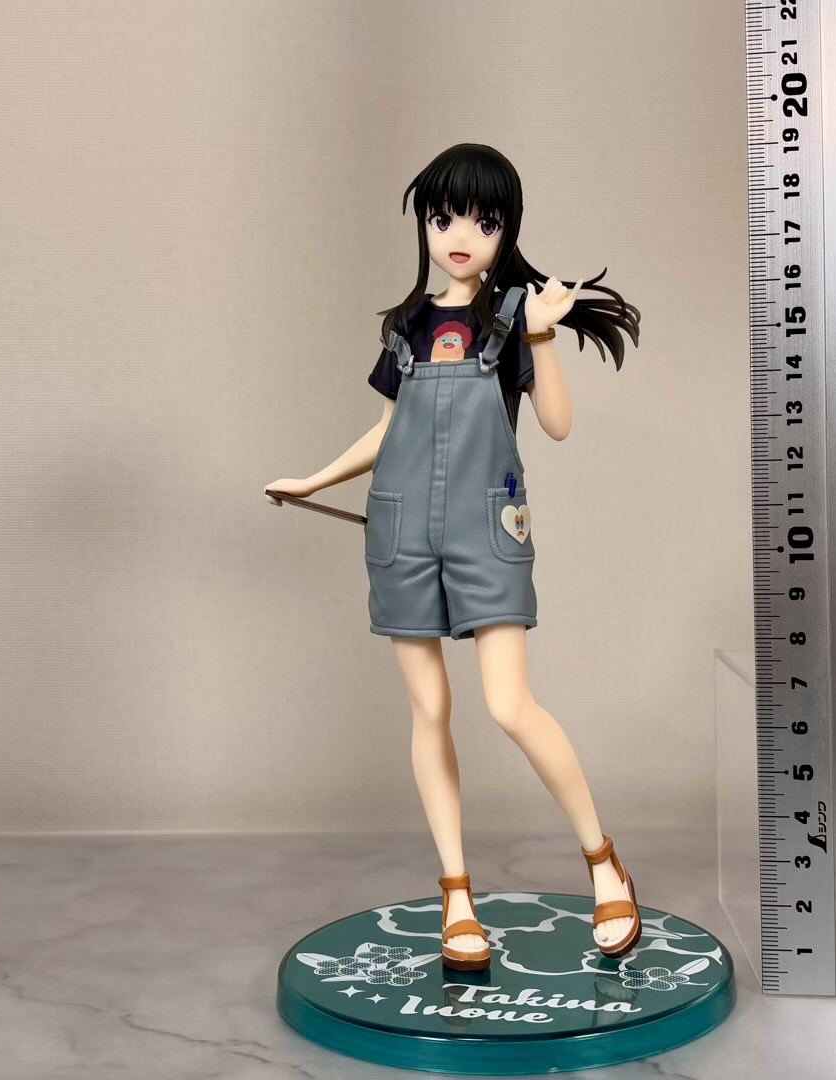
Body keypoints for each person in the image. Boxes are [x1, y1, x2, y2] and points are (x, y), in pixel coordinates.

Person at [265, 143, 642, 969]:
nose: (460, 236)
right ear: (425, 227)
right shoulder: (406, 326)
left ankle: (603, 862)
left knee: (510, 706)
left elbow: (557, 425)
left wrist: (543, 337)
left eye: (483, 220)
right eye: (444, 219)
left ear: (508, 229)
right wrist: (313, 479)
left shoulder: (512, 318)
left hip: (486, 530)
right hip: (401, 531)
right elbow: (389, 431)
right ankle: (457, 893)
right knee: (429, 711)